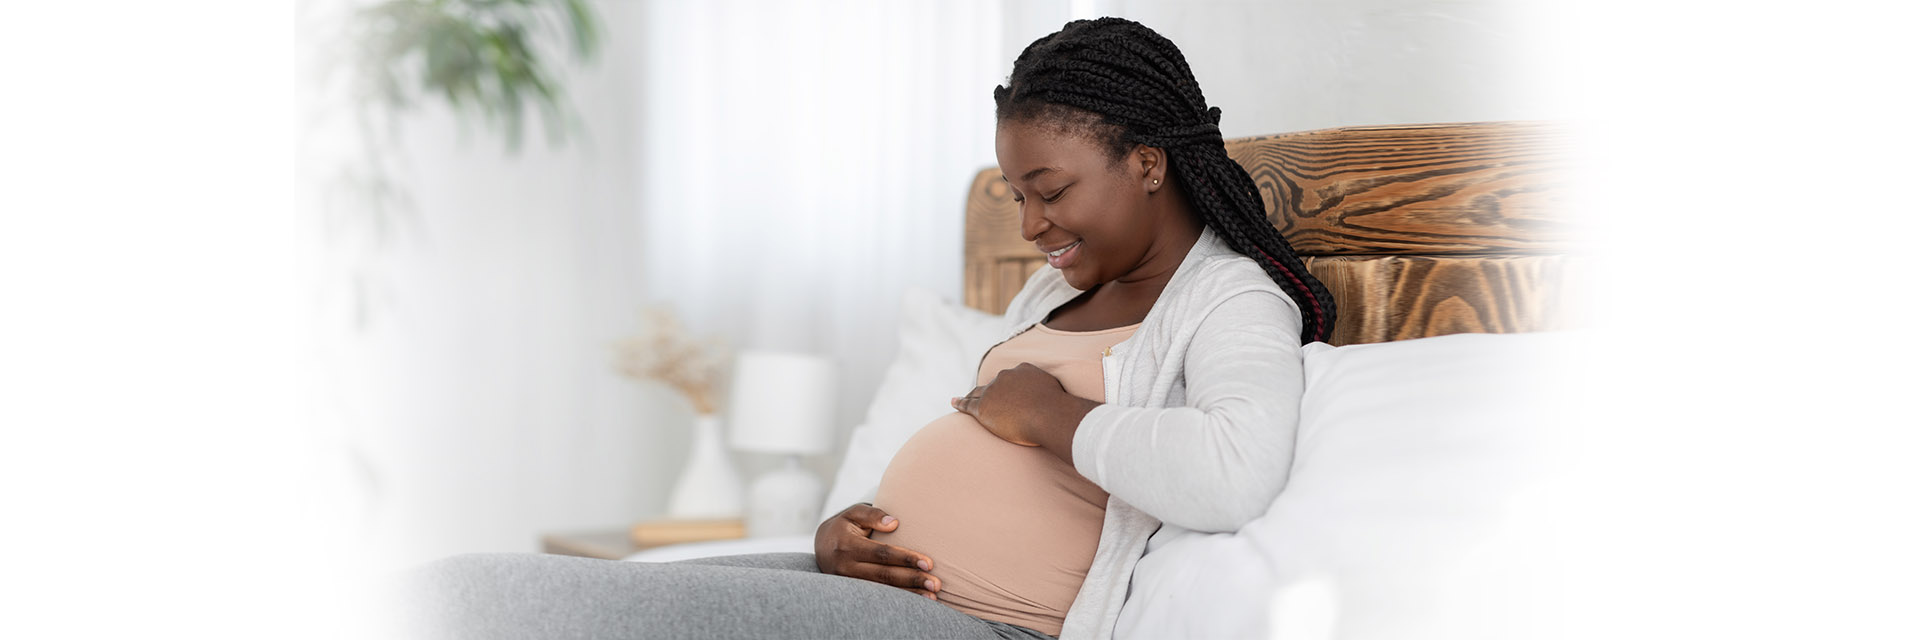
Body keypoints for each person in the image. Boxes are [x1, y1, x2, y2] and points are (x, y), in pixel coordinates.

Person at [401, 16, 1333, 640]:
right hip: (897, 592)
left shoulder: (1232, 298)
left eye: (1049, 192)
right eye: (1015, 196)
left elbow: (1233, 471)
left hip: (987, 623)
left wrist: (1046, 413)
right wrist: (837, 540)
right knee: (474, 592)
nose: (1030, 227)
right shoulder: (1047, 302)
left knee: (482, 603)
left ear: (1147, 164)